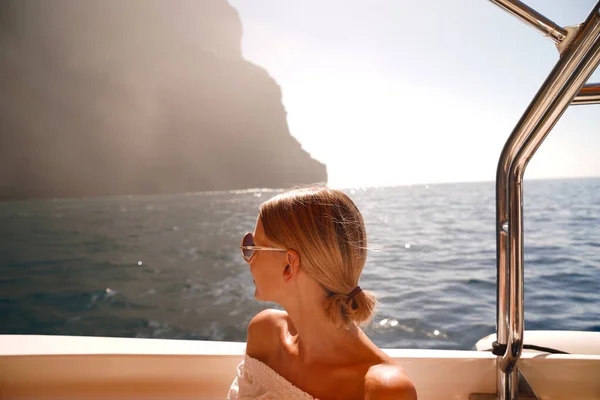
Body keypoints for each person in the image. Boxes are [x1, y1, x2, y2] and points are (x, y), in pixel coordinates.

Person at [228, 186, 417, 400]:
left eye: (253, 247)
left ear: (288, 266)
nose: (248, 259)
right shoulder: (264, 333)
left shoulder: (384, 391)